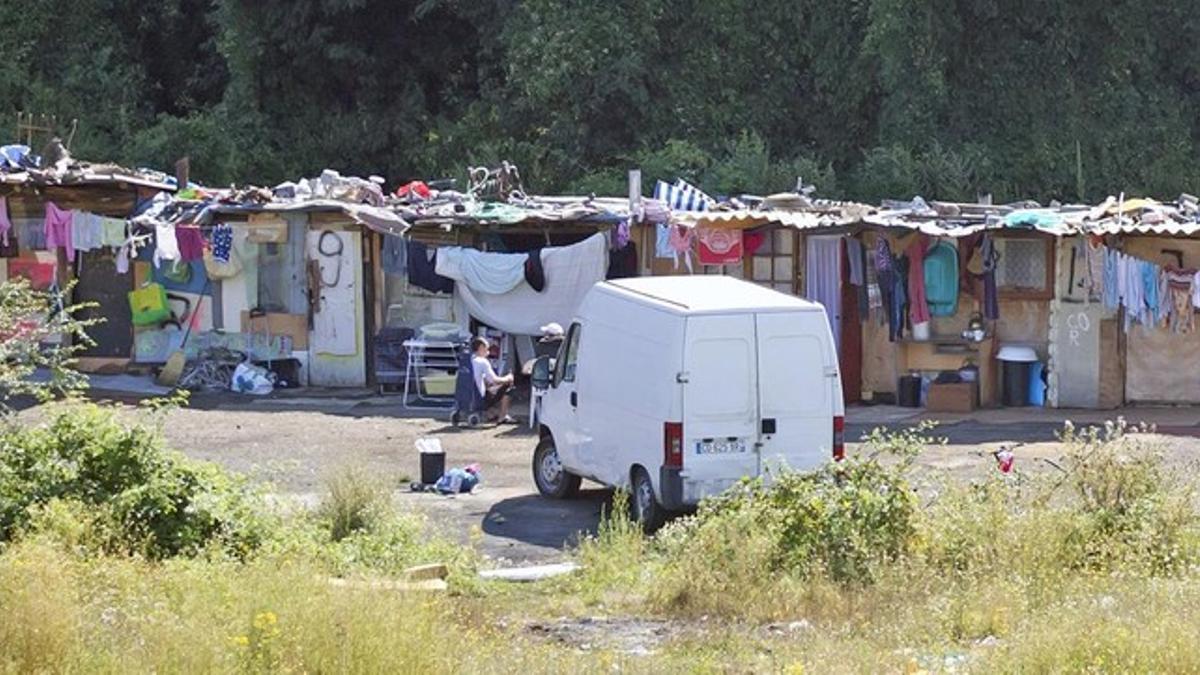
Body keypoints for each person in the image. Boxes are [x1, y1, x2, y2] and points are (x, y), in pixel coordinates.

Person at [471, 336, 515, 424]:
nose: (488, 352)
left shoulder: (470, 360)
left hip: (469, 395)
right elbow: (494, 380)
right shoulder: (483, 361)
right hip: (480, 398)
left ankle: (490, 413)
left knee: (492, 389)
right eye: (487, 349)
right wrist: (508, 377)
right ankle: (502, 416)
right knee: (509, 385)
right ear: (481, 347)